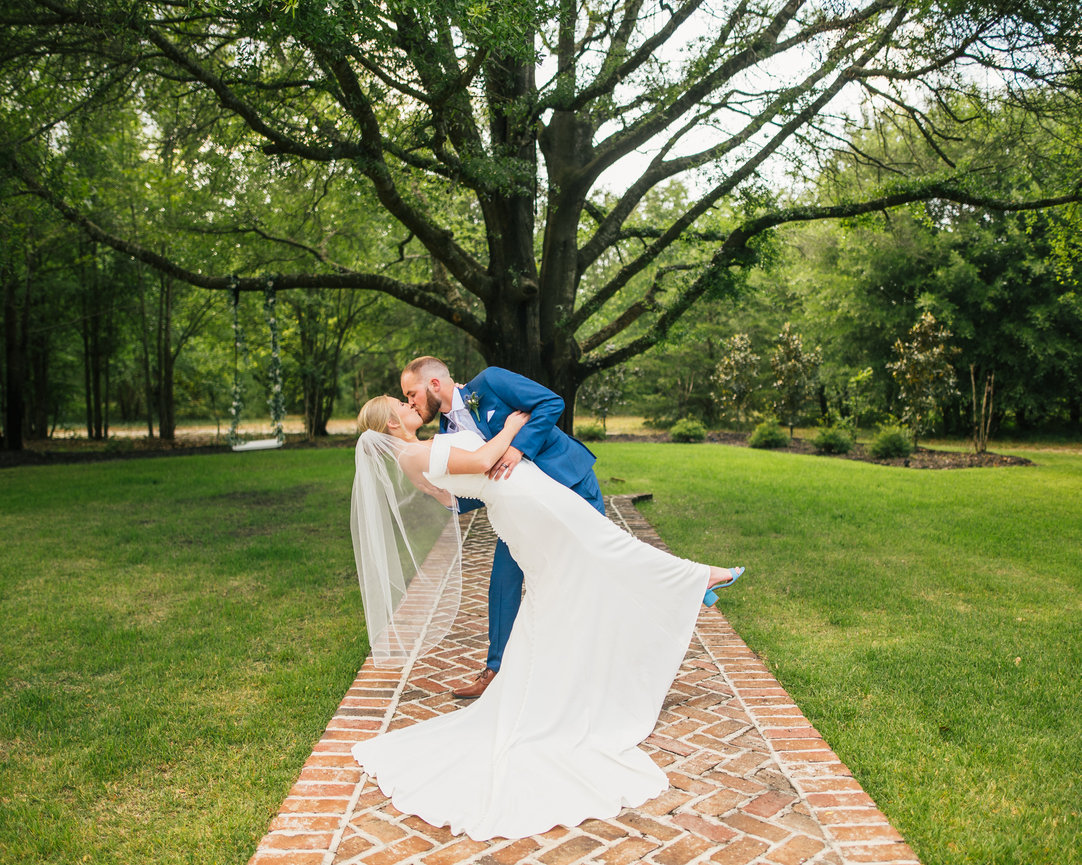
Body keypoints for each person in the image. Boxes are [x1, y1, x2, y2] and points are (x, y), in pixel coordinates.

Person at [349, 394, 744, 841]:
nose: (407, 404)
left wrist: (486, 478)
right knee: (605, 548)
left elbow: (449, 495)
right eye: (398, 404)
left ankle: (681, 592)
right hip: (529, 505)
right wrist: (513, 427)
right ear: (390, 423)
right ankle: (698, 580)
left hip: (518, 508)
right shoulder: (418, 450)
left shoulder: (410, 459)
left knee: (567, 582)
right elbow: (481, 457)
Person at [399, 356, 605, 699]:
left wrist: (517, 448)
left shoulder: (490, 383)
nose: (411, 402)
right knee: (503, 578)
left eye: (411, 393)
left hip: (569, 481)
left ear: (434, 385)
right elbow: (483, 483)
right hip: (523, 506)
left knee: (596, 561)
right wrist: (444, 496)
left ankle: (603, 658)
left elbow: (551, 402)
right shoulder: (446, 434)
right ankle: (496, 670)